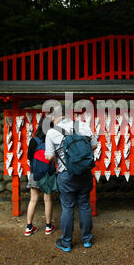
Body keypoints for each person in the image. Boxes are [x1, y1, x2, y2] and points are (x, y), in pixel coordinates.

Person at [44, 104, 98, 252]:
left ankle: (66, 242)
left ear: (52, 117)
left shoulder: (52, 133)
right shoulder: (82, 125)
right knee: (85, 205)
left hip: (66, 174)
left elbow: (49, 157)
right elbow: (94, 146)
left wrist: (61, 155)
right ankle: (87, 239)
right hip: (85, 173)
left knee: (67, 208)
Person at [25, 115, 55, 236]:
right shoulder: (52, 139)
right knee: (48, 199)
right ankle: (48, 226)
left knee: (33, 200)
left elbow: (29, 157)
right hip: (48, 173)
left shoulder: (34, 140)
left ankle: (28, 227)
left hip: (35, 172)